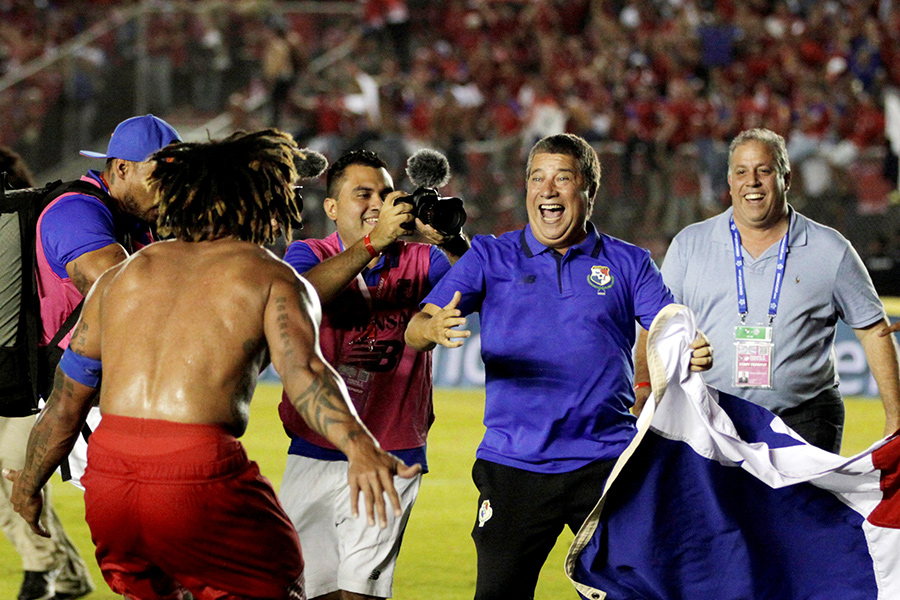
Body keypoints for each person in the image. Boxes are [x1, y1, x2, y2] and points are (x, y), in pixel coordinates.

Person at [4, 129, 417, 599]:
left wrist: (30, 485)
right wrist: (360, 446)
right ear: (263, 202)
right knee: (277, 585)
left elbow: (66, 400)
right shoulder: (270, 277)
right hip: (197, 475)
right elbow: (306, 375)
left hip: (109, 483)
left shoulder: (122, 276)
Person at [404, 133, 712, 600]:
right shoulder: (490, 256)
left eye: (562, 179)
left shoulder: (629, 263)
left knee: (642, 593)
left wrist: (692, 347)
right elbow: (416, 325)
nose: (547, 190)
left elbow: (670, 326)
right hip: (514, 464)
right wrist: (431, 329)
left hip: (606, 465)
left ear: (589, 190)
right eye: (536, 178)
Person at [635, 128, 900, 453]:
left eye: (764, 170)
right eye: (742, 172)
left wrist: (896, 416)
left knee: (802, 507)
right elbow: (655, 325)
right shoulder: (689, 245)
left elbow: (874, 331)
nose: (753, 181)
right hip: (712, 419)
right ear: (729, 182)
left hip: (805, 421)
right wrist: (644, 385)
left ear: (786, 179)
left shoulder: (830, 249)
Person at [278, 148, 468, 600]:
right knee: (305, 592)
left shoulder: (421, 260)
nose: (378, 205)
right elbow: (303, 297)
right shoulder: (306, 253)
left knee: (360, 593)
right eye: (363, 194)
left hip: (392, 450)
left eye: (385, 193)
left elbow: (483, 278)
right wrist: (371, 246)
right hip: (314, 447)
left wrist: (448, 239)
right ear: (330, 208)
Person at [38, 113, 182, 486]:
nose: (172, 192)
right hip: (89, 401)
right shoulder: (75, 213)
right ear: (122, 168)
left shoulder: (135, 221)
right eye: (162, 179)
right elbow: (128, 301)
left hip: (121, 393)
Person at [0, 146, 94, 600]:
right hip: (14, 370)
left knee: (16, 472)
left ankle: (42, 574)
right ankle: (69, 575)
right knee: (8, 486)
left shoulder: (29, 221)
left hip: (27, 374)